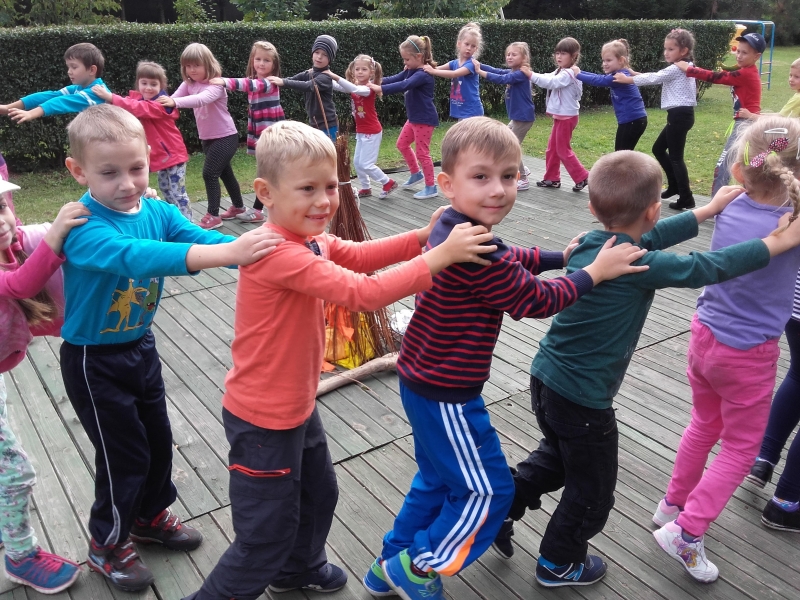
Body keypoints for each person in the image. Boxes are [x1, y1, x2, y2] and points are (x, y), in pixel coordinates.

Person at [181, 119, 499, 600]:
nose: (323, 201)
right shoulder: (277, 252)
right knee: (263, 535)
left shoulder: (310, 240)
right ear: (265, 193)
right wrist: (439, 258)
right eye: (307, 189)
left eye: (329, 187)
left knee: (319, 492)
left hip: (296, 406)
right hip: (262, 420)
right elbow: (364, 293)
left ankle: (297, 569)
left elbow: (360, 256)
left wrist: (422, 237)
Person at [369, 117, 652, 600]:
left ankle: (387, 566)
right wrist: (595, 272)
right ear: (447, 182)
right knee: (489, 492)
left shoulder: (453, 225)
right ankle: (417, 567)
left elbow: (509, 254)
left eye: (509, 175)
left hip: (422, 380)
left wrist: (560, 257)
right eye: (481, 177)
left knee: (436, 481)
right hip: (448, 393)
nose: (498, 189)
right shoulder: (475, 249)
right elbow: (534, 300)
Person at [495, 145, 800, 588]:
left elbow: (652, 236)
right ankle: (559, 561)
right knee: (593, 492)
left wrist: (706, 210)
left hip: (546, 380)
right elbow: (706, 267)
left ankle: (499, 510)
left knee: (558, 458)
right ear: (654, 210)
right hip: (583, 400)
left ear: (594, 207)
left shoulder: (594, 245)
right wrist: (777, 243)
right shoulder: (639, 263)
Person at [57, 104, 284, 593]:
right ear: (78, 171)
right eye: (109, 173)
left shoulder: (156, 210)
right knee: (123, 455)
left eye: (136, 168)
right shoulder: (82, 227)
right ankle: (106, 543)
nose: (127, 184)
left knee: (158, 440)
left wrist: (260, 254)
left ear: (150, 159)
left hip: (140, 346)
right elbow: (137, 257)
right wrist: (227, 253)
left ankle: (148, 517)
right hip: (94, 361)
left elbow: (195, 236)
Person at [653, 116, 800, 582]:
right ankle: (687, 531)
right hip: (749, 354)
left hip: (704, 335)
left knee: (703, 424)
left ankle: (672, 504)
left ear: (739, 169)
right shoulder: (791, 223)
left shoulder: (729, 201)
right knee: (740, 447)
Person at [0, 179, 87, 593]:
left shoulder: (16, 244)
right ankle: (20, 556)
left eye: (1, 207)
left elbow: (53, 232)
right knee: (15, 473)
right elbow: (21, 284)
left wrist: (128, 208)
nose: (2, 222)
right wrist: (56, 235)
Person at [746, 61, 800, 533]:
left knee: (799, 376)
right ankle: (788, 501)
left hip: (793, 307)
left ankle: (763, 457)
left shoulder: (785, 193)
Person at [157, 43, 245, 230]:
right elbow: (174, 98)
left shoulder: (216, 84)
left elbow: (200, 99)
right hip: (207, 138)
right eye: (188, 66)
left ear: (208, 64)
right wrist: (155, 105)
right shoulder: (189, 84)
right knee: (226, 173)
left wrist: (174, 102)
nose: (192, 69)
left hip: (226, 137)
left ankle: (213, 215)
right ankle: (238, 207)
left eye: (196, 65)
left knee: (209, 174)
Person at [92, 61, 192, 221]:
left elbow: (138, 108)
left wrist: (110, 97)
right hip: (163, 157)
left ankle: (188, 223)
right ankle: (174, 220)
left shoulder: (161, 104)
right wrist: (107, 98)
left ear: (161, 86)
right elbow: (128, 104)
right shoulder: (138, 100)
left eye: (153, 84)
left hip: (174, 155)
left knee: (177, 193)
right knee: (166, 189)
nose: (148, 88)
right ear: (138, 83)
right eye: (144, 83)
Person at [614, 28, 698, 210]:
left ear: (683, 51)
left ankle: (686, 197)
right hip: (679, 116)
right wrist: (633, 73)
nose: (666, 52)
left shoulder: (677, 68)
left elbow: (655, 78)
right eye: (665, 48)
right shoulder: (683, 65)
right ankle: (674, 186)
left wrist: (627, 79)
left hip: (679, 116)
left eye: (671, 49)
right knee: (658, 149)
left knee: (676, 157)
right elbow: (657, 76)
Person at [676, 31, 765, 196]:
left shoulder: (746, 73)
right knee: (745, 167)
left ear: (756, 56)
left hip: (745, 124)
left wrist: (690, 69)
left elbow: (716, 77)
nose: (739, 55)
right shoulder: (747, 70)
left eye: (744, 53)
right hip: (747, 123)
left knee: (723, 166)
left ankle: (716, 205)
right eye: (738, 51)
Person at [209, 40, 286, 223]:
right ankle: (269, 206)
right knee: (268, 171)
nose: (261, 63)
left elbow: (250, 85)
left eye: (266, 60)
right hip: (260, 132)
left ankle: (258, 210)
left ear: (274, 64)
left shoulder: (269, 83)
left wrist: (225, 81)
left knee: (266, 172)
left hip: (271, 136)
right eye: (258, 59)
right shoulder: (256, 80)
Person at [370, 35, 439, 200]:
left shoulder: (423, 74)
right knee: (402, 144)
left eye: (407, 59)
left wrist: (379, 89)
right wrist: (375, 81)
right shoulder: (410, 70)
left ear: (419, 56)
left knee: (422, 153)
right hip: (414, 118)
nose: (404, 62)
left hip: (424, 119)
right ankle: (416, 174)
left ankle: (431, 187)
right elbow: (396, 78)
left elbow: (404, 85)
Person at [327, 55, 397, 199]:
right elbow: (341, 87)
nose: (360, 72)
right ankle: (366, 187)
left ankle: (387, 182)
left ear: (371, 72)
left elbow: (353, 88)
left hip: (372, 131)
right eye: (357, 69)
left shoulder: (368, 88)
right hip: (362, 131)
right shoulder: (355, 86)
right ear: (353, 71)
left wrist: (334, 76)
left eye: (364, 69)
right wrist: (323, 78)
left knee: (366, 164)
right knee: (358, 163)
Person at [528, 37, 589, 192]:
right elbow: (547, 77)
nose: (559, 57)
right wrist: (530, 73)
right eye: (557, 53)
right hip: (561, 117)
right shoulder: (560, 71)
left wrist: (530, 75)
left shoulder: (569, 73)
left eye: (563, 53)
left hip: (567, 118)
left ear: (574, 56)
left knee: (562, 150)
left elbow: (552, 83)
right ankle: (552, 178)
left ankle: (582, 176)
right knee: (552, 149)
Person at [476, 41, 536, 191]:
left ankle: (523, 178)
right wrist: (480, 65)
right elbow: (497, 71)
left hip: (523, 118)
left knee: (511, 146)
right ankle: (522, 169)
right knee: (506, 142)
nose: (509, 57)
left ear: (524, 58)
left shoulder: (521, 74)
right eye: (508, 54)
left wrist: (479, 71)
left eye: (514, 54)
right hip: (517, 118)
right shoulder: (513, 72)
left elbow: (502, 79)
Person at [0, 43, 109, 123]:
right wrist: (8, 108)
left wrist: (30, 113)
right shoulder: (78, 88)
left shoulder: (95, 93)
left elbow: (61, 102)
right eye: (68, 67)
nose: (69, 71)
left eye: (74, 67)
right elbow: (51, 95)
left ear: (92, 70)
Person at [574, 39, 647, 151]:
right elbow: (598, 77)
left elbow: (598, 80)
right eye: (603, 60)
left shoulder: (618, 76)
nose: (604, 64)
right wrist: (579, 72)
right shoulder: (620, 73)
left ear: (621, 60)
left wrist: (578, 74)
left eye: (608, 60)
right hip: (635, 120)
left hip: (631, 120)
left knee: (620, 154)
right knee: (623, 154)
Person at [269, 35, 339, 141]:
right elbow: (291, 79)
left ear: (330, 59)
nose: (319, 57)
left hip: (327, 125)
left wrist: (283, 82)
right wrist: (272, 82)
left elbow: (309, 86)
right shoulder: (309, 73)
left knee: (327, 152)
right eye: (317, 52)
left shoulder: (325, 77)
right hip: (314, 124)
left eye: (325, 54)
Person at [423, 22, 484, 120]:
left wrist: (433, 72)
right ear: (459, 44)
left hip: (472, 111)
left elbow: (454, 74)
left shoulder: (471, 64)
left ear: (476, 49)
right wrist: (417, 67)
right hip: (462, 111)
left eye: (473, 46)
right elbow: (435, 68)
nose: (469, 48)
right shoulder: (454, 63)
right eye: (467, 44)